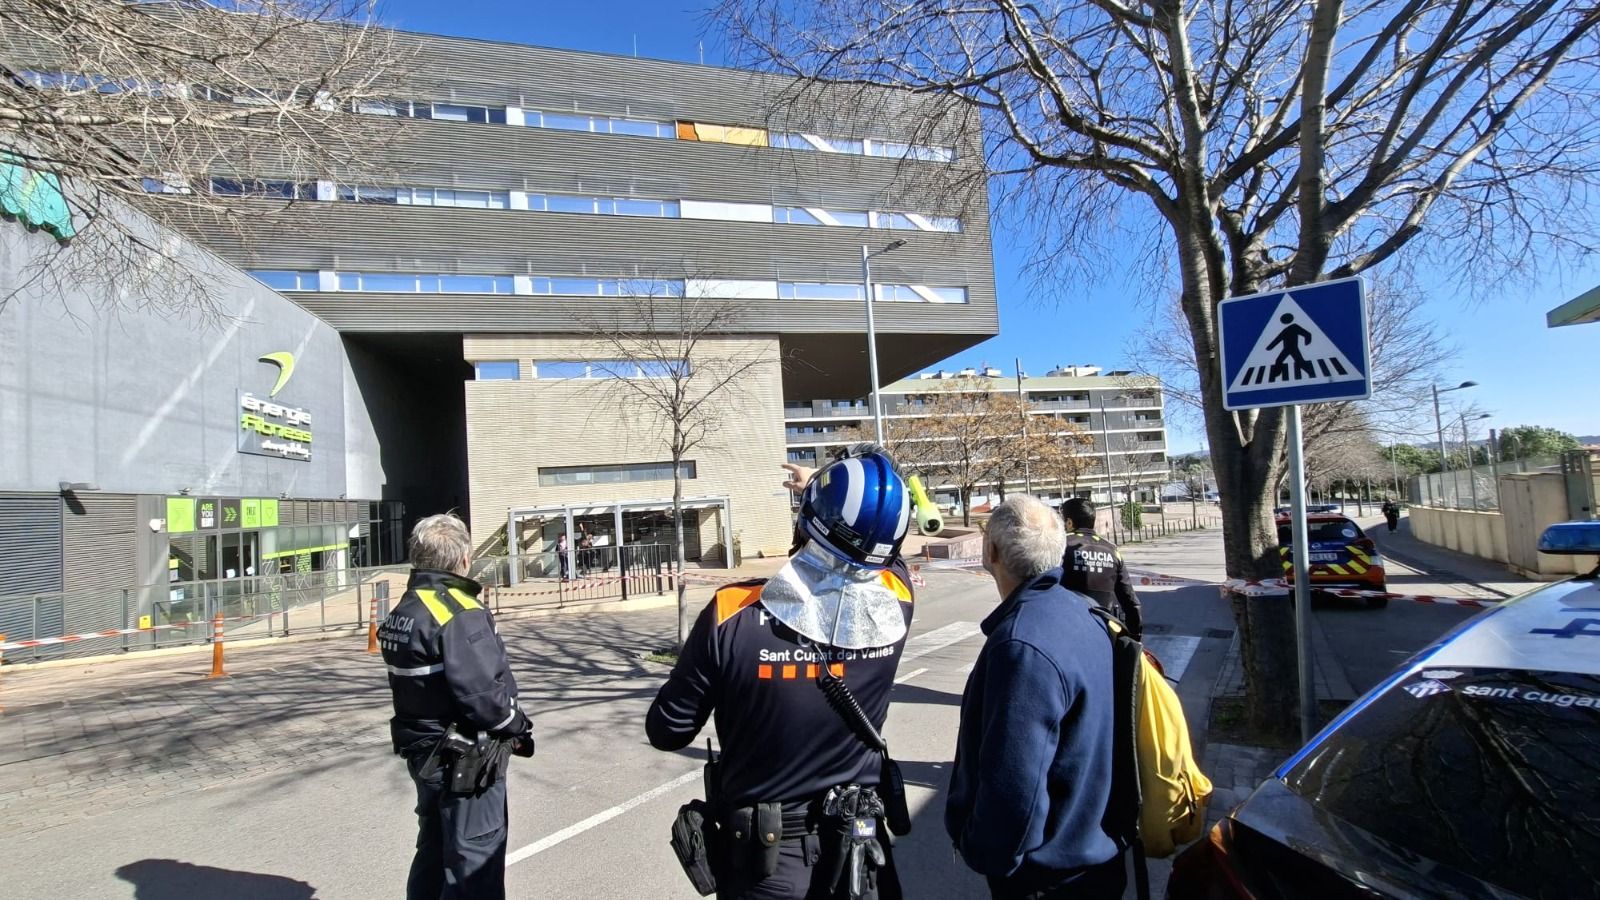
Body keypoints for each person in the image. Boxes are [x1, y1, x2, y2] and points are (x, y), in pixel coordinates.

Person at [647, 445, 915, 900]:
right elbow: (883, 554)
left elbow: (668, 730)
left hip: (765, 864)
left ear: (806, 520)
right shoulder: (898, 603)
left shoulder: (732, 611)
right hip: (859, 857)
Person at [946, 495, 1123, 899]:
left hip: (1047, 876)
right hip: (1093, 861)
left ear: (991, 552)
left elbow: (1014, 788)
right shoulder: (1083, 614)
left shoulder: (1022, 646)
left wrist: (985, 851)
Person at [379, 513, 534, 900]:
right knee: (474, 863)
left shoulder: (407, 607)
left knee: (433, 851)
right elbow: (482, 696)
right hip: (464, 760)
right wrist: (517, 725)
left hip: (423, 752)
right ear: (463, 559)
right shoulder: (458, 610)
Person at [1058, 498, 1143, 641]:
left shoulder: (1060, 545)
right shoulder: (1112, 549)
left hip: (1067, 630)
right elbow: (1131, 602)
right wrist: (1135, 639)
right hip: (1103, 632)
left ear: (1069, 522)